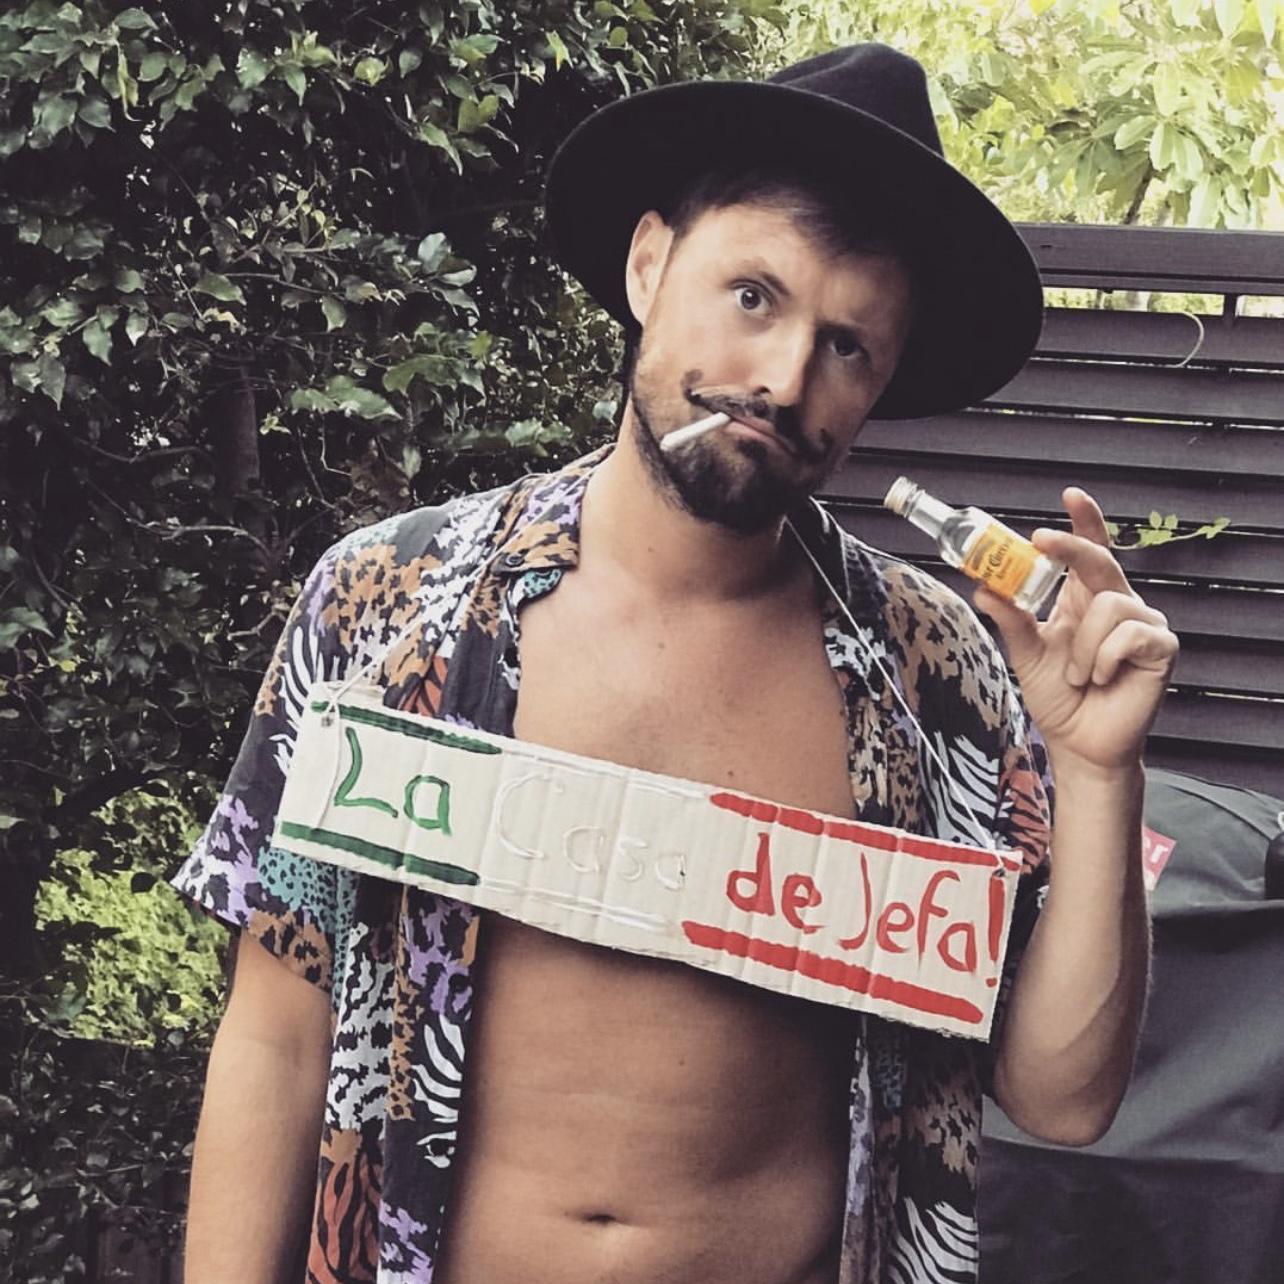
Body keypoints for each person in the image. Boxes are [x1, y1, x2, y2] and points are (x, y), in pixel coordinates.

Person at [175, 44, 1175, 1284]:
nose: (784, 379)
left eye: (849, 346)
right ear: (649, 265)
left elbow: (1063, 1096)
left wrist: (1097, 769)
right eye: (753, 296)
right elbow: (276, 1035)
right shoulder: (390, 603)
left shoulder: (936, 677)